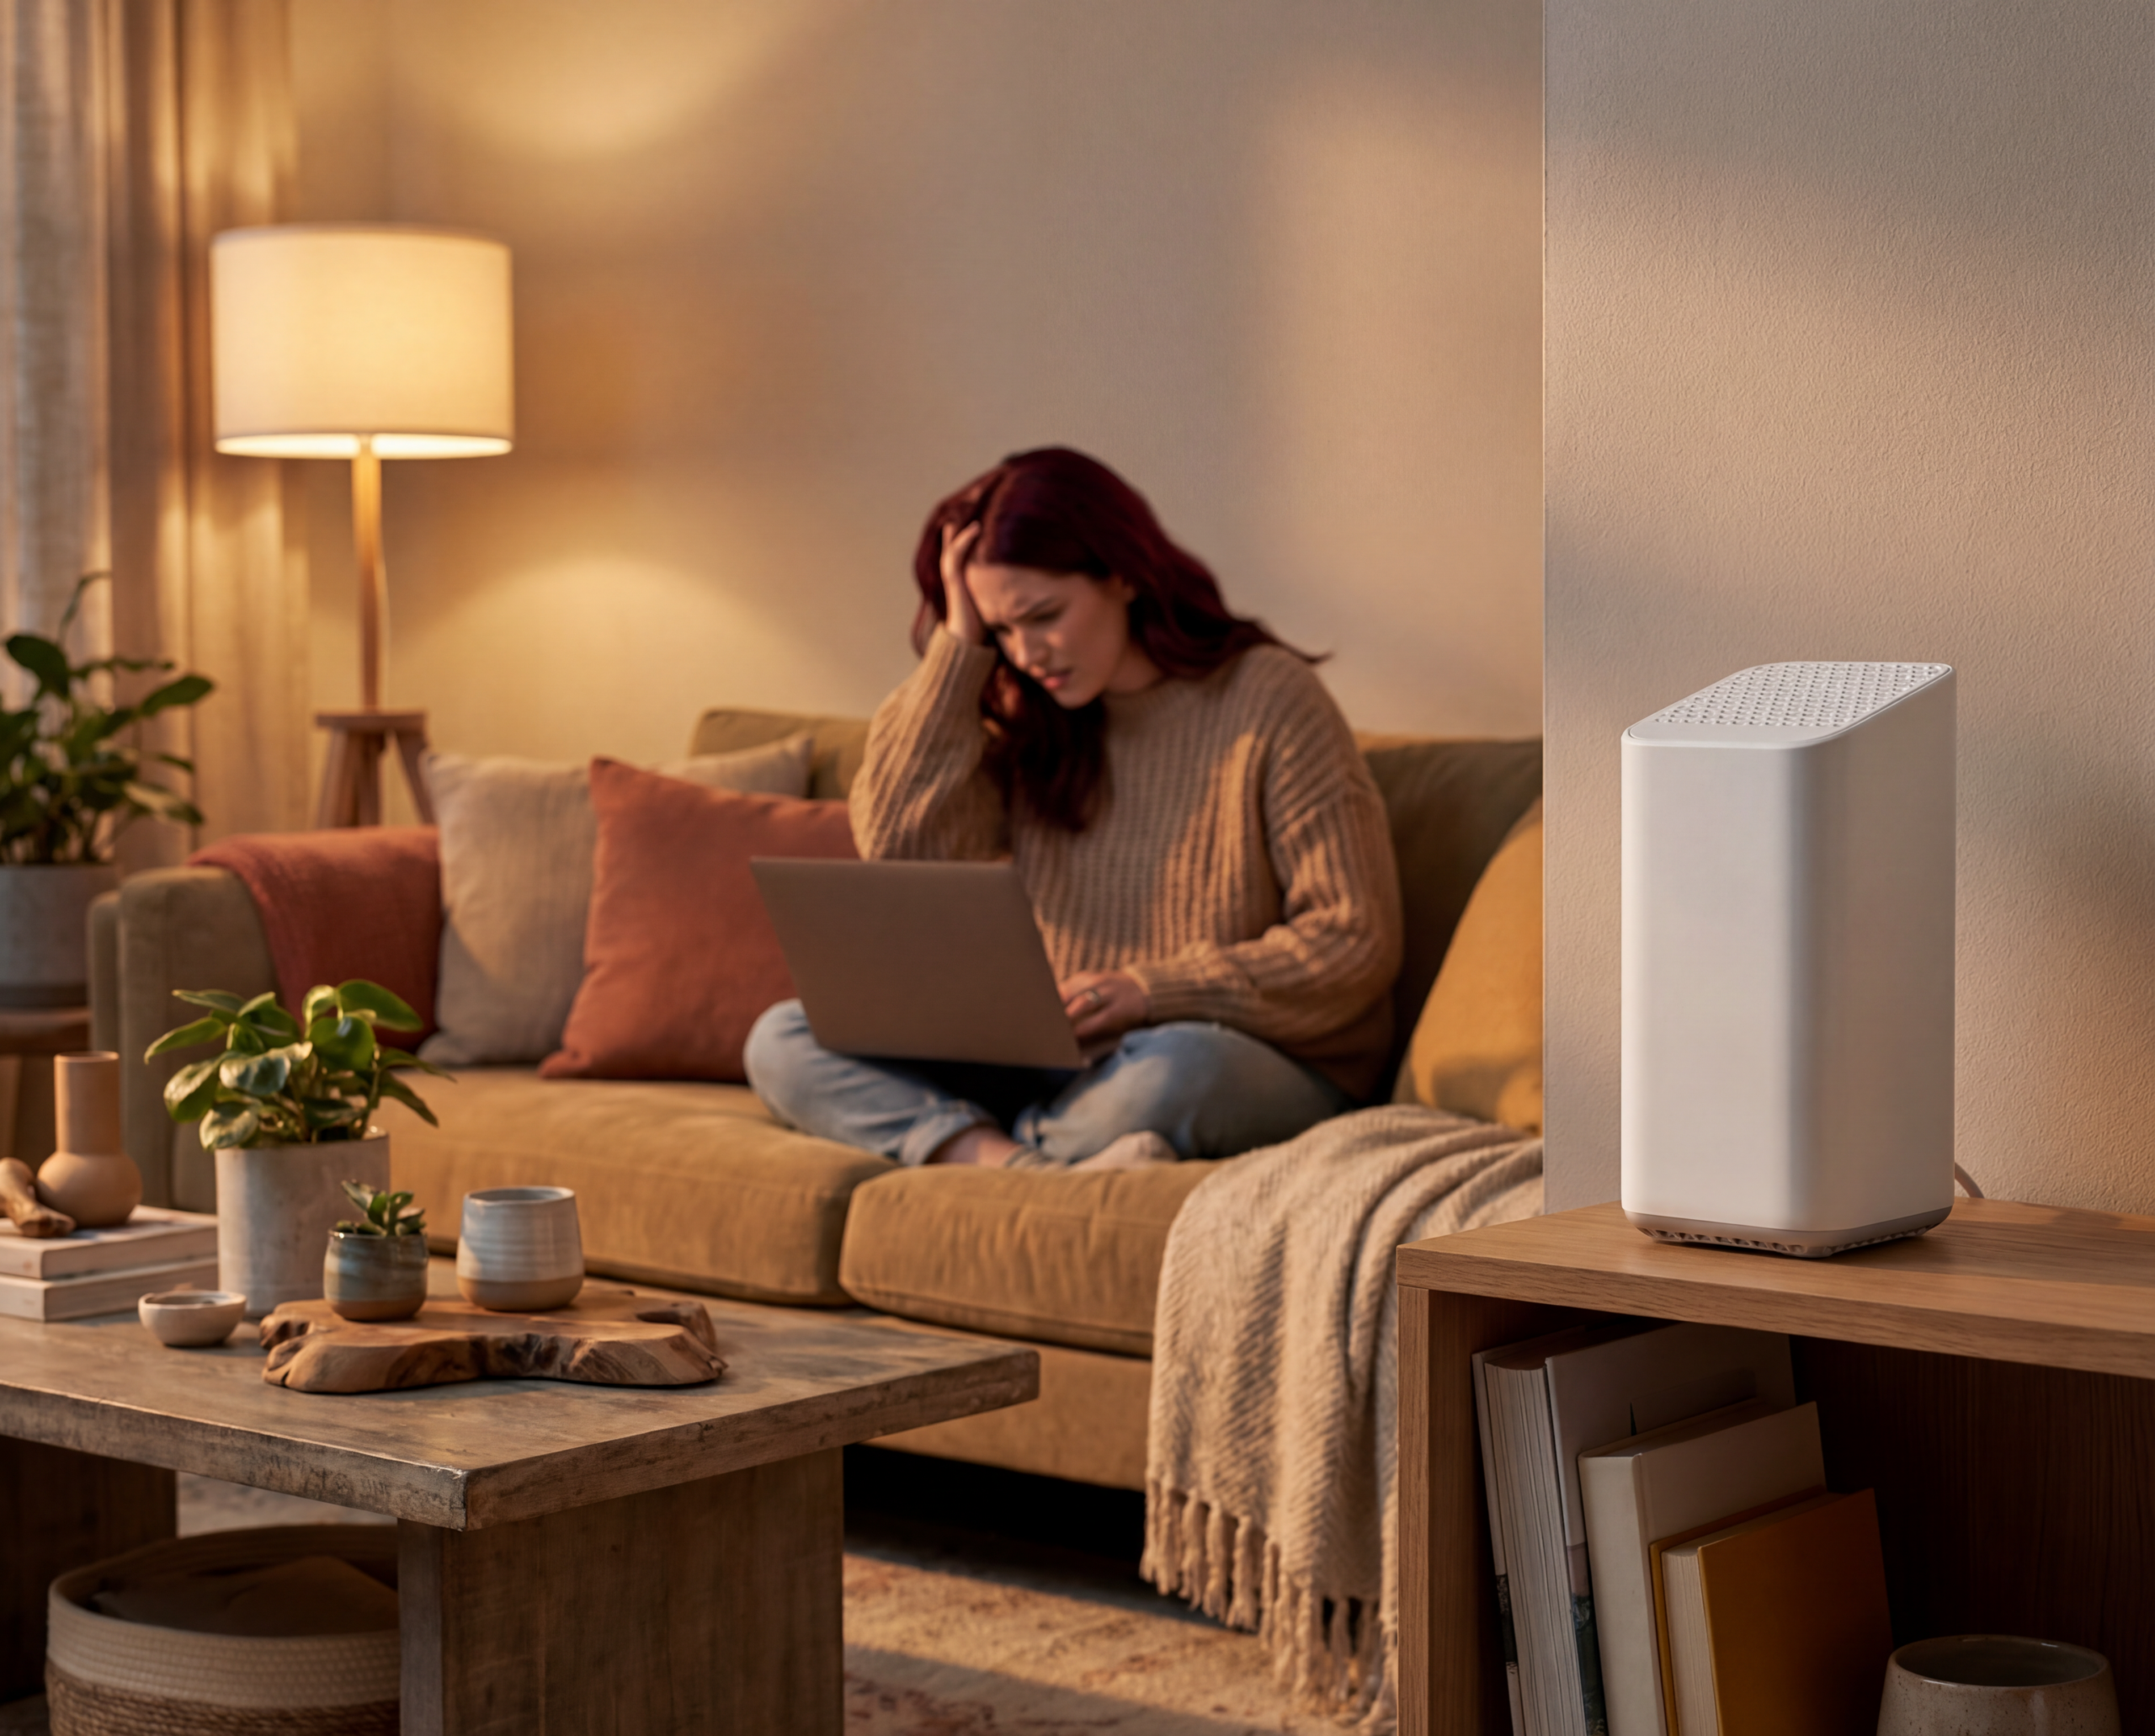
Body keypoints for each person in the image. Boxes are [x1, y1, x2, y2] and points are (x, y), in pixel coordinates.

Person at [743, 446, 1402, 1170]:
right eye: (1002, 630)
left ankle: (992, 1150)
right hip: (1053, 1060)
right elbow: (897, 846)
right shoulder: (1022, 712)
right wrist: (958, 645)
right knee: (782, 1038)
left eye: (1044, 615)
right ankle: (1016, 1163)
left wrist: (1149, 992)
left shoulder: (1268, 698)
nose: (1027, 653)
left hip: (1225, 1051)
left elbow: (1353, 942)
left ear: (1122, 573)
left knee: (1177, 1071)